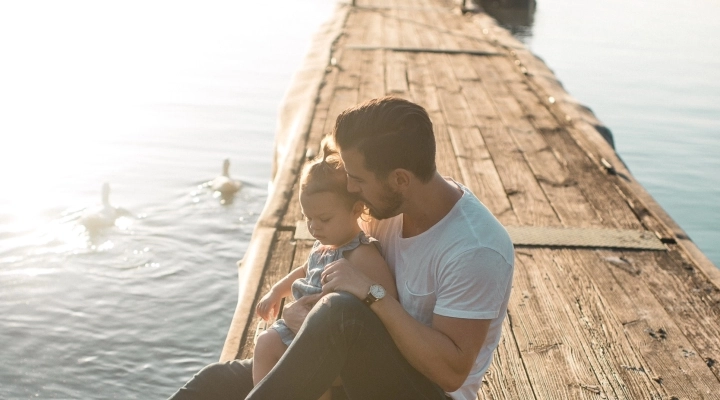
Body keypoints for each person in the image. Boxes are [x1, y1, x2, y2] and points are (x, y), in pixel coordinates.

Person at [169, 96, 514, 400]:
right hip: (353, 365)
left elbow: (450, 373)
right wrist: (302, 318)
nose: (350, 187)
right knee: (217, 384)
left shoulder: (476, 250)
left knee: (340, 313)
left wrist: (372, 294)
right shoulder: (385, 207)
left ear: (400, 179)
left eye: (358, 179)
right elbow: (329, 257)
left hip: (421, 391)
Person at [251, 143, 398, 399]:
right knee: (265, 344)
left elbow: (389, 300)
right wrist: (276, 292)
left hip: (335, 343)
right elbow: (302, 271)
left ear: (355, 210)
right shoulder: (324, 246)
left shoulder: (361, 254)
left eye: (324, 219)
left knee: (289, 360)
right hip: (304, 330)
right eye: (308, 218)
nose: (314, 227)